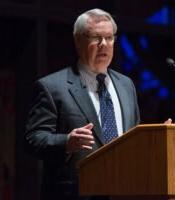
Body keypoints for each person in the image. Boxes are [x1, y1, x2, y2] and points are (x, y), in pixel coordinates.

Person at [24, 8, 141, 200]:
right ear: (78, 40)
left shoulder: (126, 85)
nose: (104, 44)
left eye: (109, 38)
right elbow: (32, 139)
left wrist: (155, 137)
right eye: (96, 38)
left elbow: (132, 137)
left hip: (124, 191)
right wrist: (66, 142)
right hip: (76, 193)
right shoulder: (52, 87)